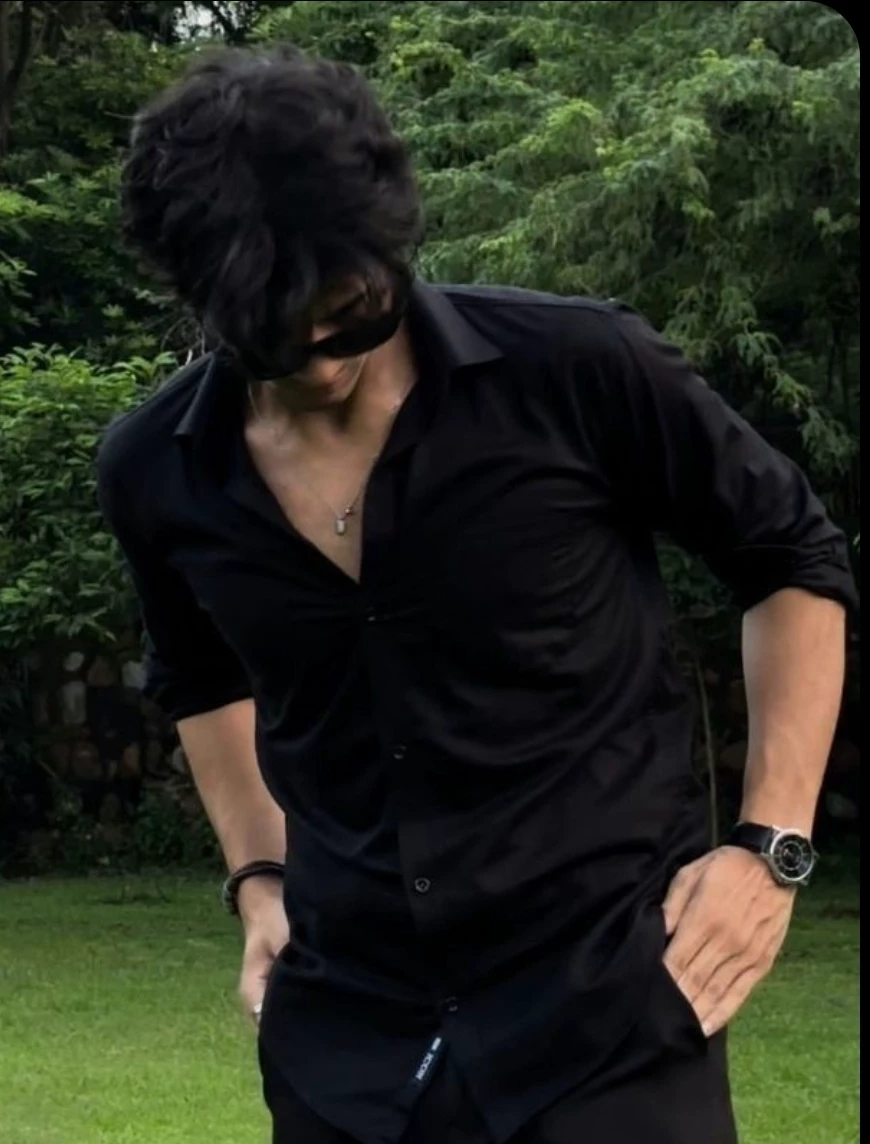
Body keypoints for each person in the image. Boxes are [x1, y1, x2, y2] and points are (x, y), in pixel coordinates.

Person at [98, 44, 857, 1144]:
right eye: (273, 341)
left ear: (389, 246)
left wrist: (769, 845)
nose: (322, 366)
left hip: (612, 1013)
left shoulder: (579, 367)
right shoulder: (155, 469)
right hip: (346, 1042)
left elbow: (790, 555)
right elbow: (201, 675)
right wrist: (260, 881)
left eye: (351, 316)